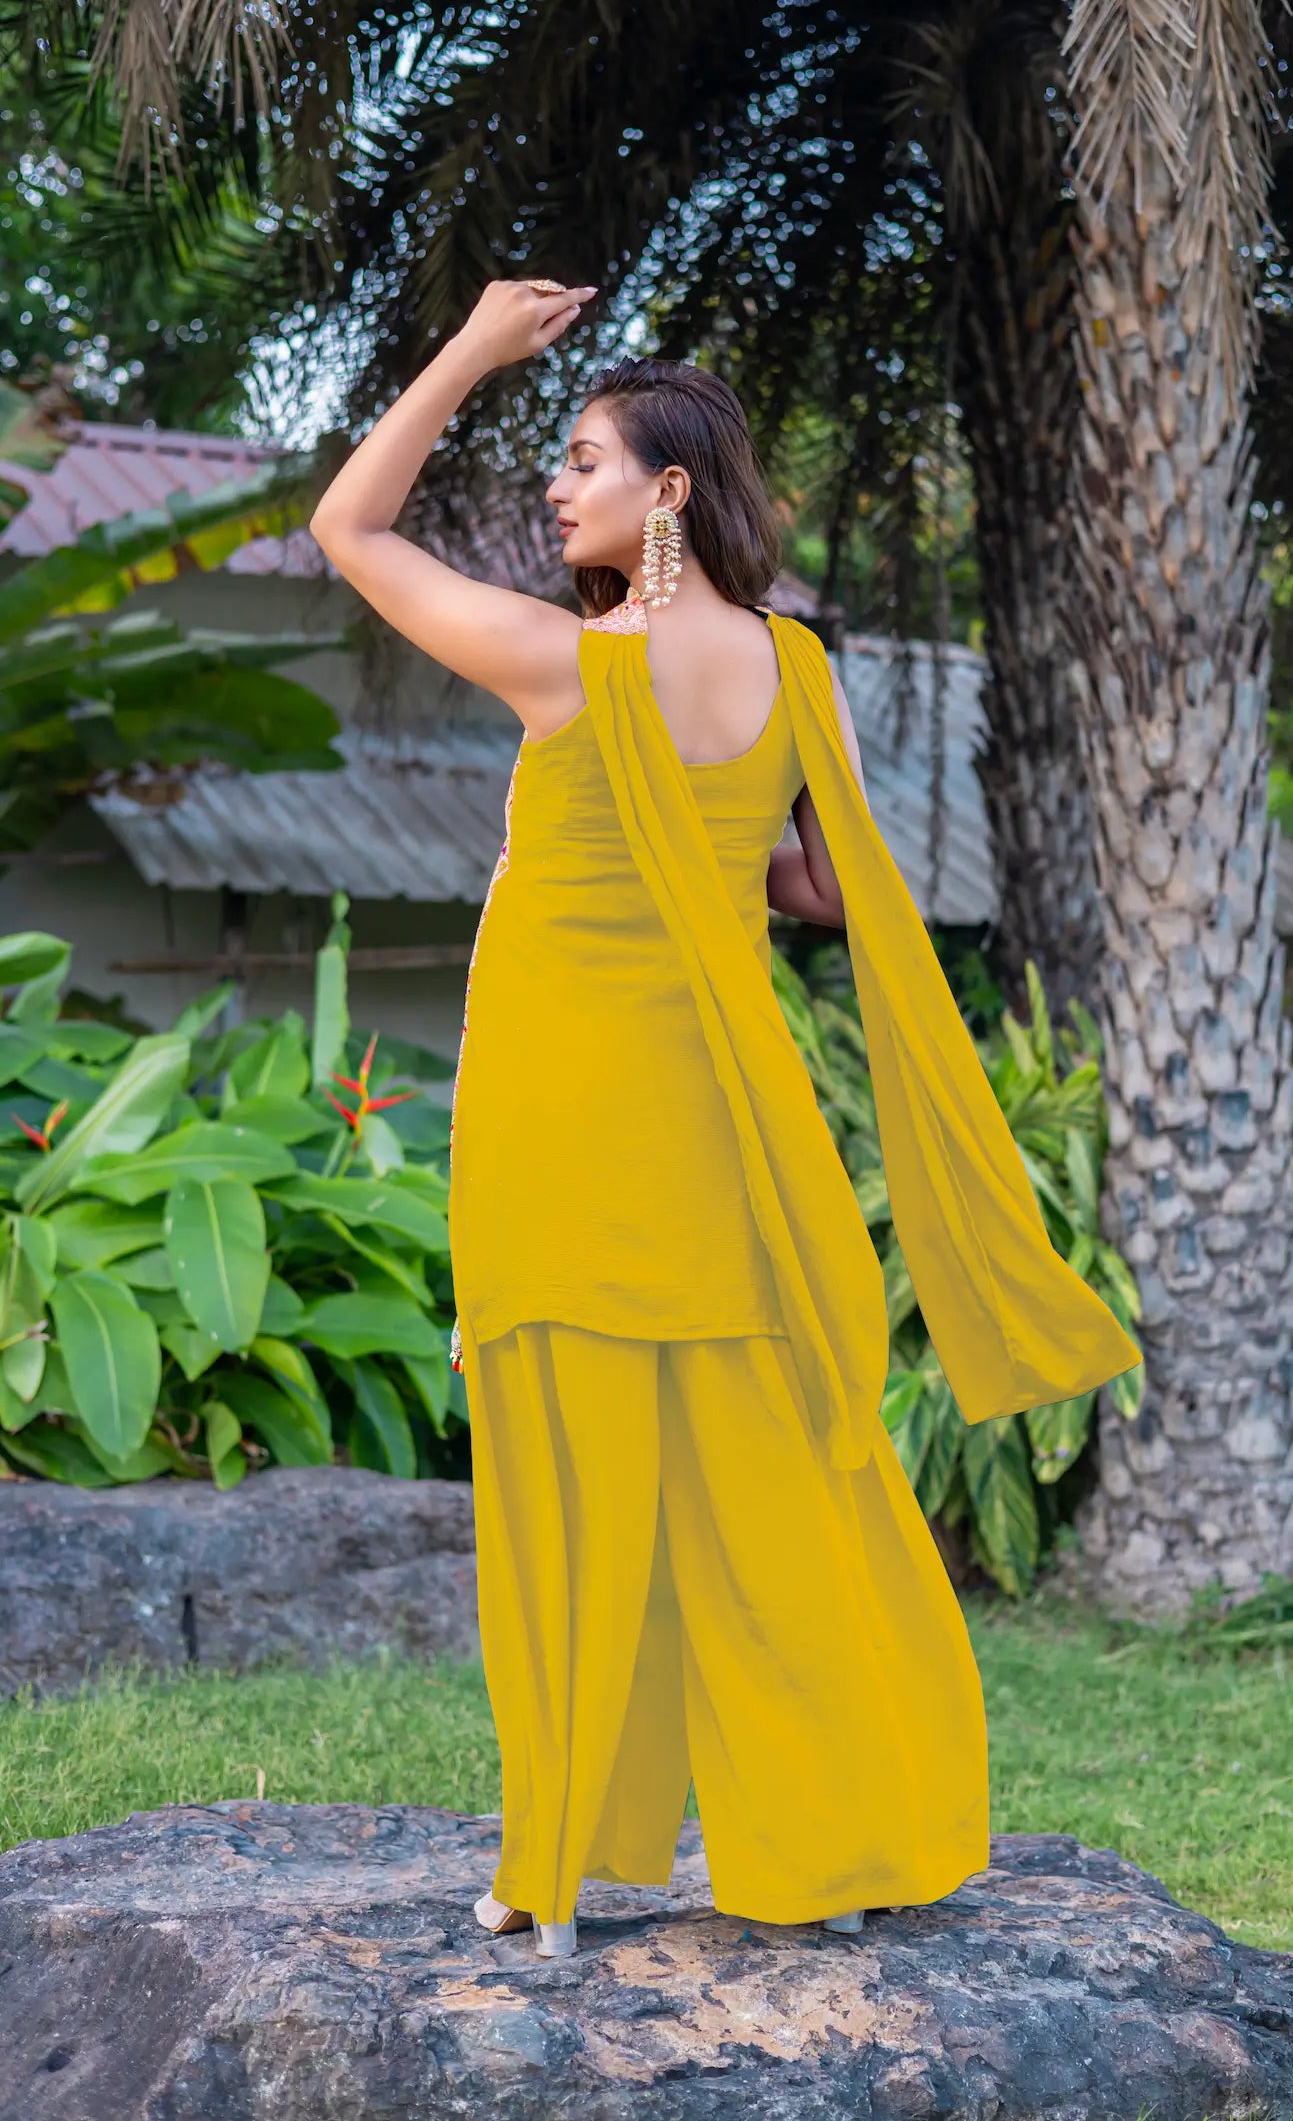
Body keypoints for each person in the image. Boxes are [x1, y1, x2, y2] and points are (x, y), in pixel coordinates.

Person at [309, 279, 1140, 1959]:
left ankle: (551, 1865)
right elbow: (822, 890)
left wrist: (472, 349)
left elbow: (352, 528)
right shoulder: (795, 669)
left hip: (561, 1107)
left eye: (585, 460)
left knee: (567, 1475)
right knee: (774, 1467)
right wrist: (705, 850)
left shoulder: (565, 663)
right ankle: (834, 1841)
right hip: (729, 1115)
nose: (557, 487)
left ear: (670, 489)